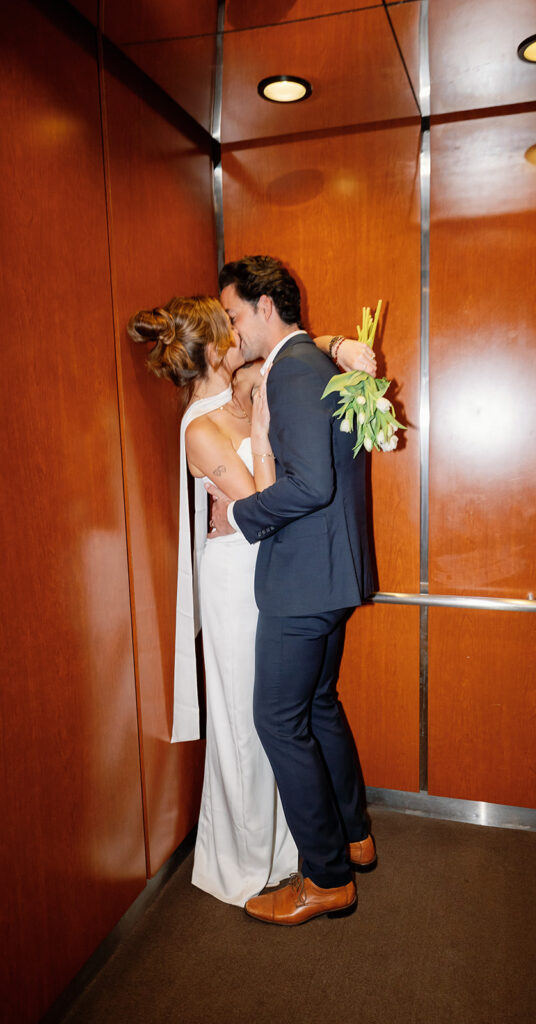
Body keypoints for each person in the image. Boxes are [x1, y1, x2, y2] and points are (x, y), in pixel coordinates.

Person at [127, 294, 373, 907]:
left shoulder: (243, 382)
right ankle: (247, 853)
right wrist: (262, 438)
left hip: (278, 572)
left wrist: (338, 344)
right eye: (231, 326)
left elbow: (296, 349)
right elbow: (262, 504)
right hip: (238, 579)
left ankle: (301, 845)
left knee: (292, 713)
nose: (242, 331)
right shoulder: (200, 426)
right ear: (216, 347)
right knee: (248, 719)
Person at [207, 256, 377, 926]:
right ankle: (354, 836)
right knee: (317, 705)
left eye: (233, 314)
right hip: (329, 573)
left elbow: (311, 486)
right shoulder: (313, 361)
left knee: (279, 720)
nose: (231, 329)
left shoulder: (298, 370)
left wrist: (241, 516)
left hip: (304, 581)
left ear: (264, 308)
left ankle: (327, 877)